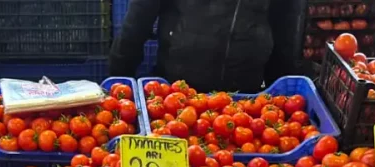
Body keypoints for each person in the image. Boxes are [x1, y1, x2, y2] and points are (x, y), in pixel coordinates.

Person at [109, 0, 275, 93]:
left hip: (247, 98)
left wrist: (284, 88)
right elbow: (138, 20)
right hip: (177, 93)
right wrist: (119, 78)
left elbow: (286, 24)